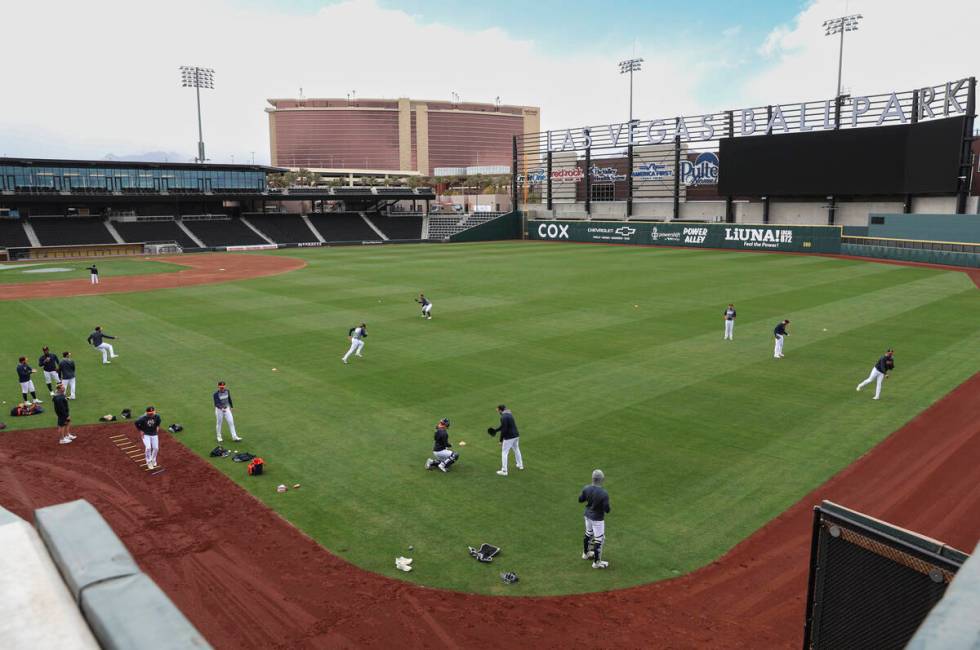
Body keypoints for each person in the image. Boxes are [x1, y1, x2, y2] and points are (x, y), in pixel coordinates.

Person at [579, 469, 611, 569]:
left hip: (587, 515)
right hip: (597, 518)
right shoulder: (603, 493)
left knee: (588, 533)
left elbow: (580, 500)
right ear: (601, 479)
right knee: (599, 539)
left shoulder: (586, 488)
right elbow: (607, 509)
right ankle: (597, 563)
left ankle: (586, 553)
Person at [490, 404, 523, 476]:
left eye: (497, 409)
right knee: (516, 449)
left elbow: (504, 429)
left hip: (509, 437)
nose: (497, 410)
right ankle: (520, 465)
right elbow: (504, 426)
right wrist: (496, 430)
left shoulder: (503, 417)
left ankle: (504, 471)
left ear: (500, 410)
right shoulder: (509, 414)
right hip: (516, 435)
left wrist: (500, 440)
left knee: (504, 452)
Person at [134, 406, 162, 470]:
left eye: (152, 412)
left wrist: (157, 427)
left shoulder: (157, 416)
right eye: (150, 413)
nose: (152, 414)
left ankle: (153, 459)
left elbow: (158, 422)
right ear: (147, 412)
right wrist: (140, 430)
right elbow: (136, 423)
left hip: (154, 434)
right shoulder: (142, 418)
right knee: (148, 448)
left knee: (156, 448)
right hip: (146, 435)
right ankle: (148, 462)